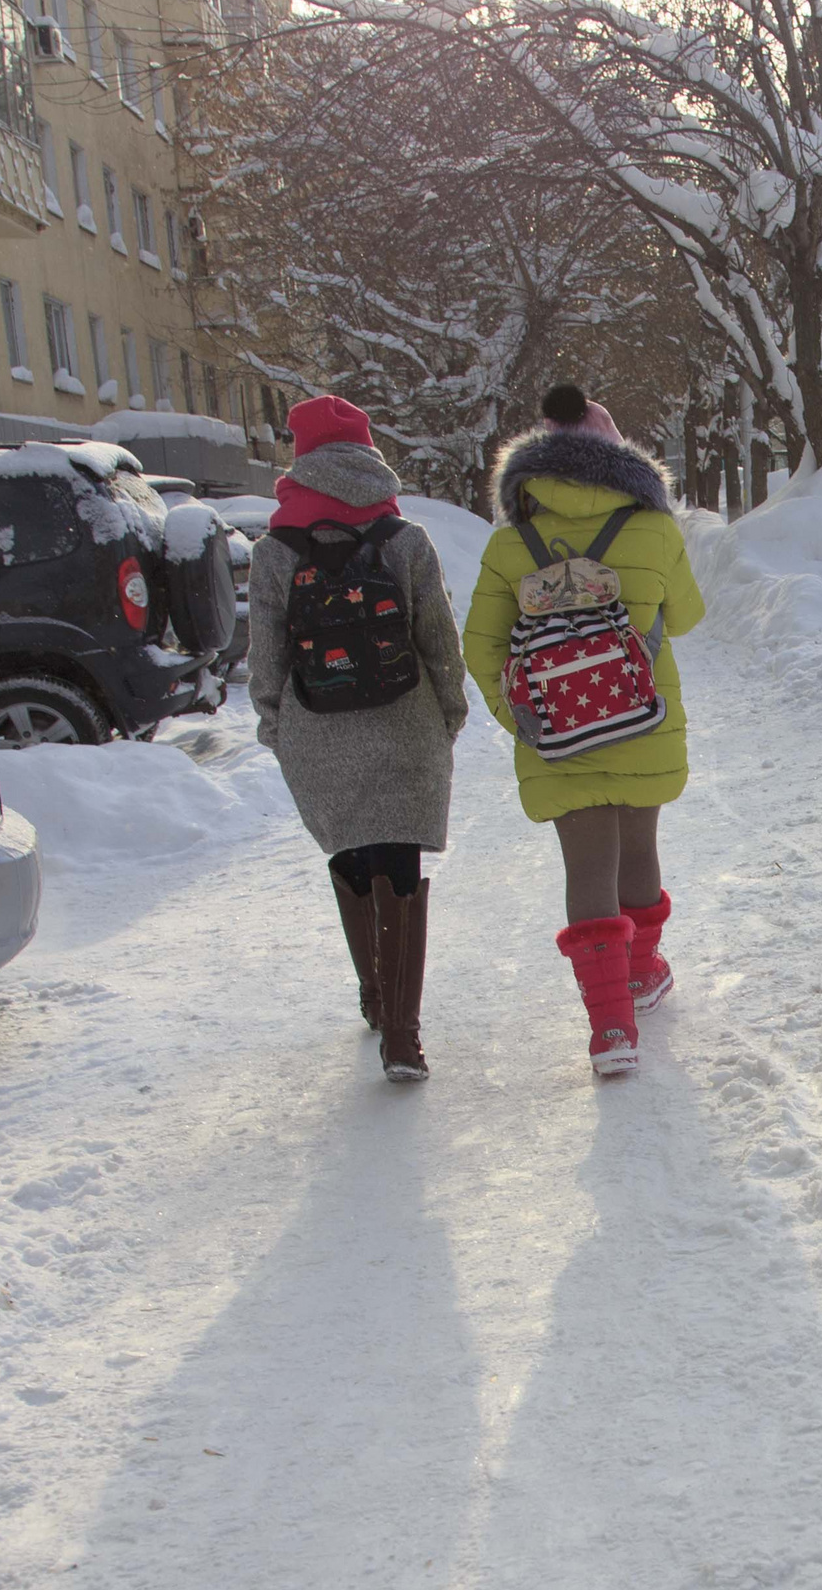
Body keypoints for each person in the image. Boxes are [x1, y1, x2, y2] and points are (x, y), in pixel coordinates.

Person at [462, 385, 707, 1077]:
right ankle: (641, 972)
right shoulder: (654, 530)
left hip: (559, 737)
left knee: (588, 864)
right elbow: (685, 616)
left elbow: (478, 648)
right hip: (641, 717)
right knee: (639, 847)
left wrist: (526, 718)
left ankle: (610, 1031)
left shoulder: (511, 543)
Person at [249, 394, 469, 1081]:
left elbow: (265, 651)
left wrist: (274, 722)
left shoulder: (274, 549)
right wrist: (450, 709)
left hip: (316, 724)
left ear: (301, 457)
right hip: (406, 720)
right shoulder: (405, 540)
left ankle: (376, 997)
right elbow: (438, 635)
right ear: (368, 453)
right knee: (399, 863)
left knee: (350, 852)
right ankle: (403, 1037)